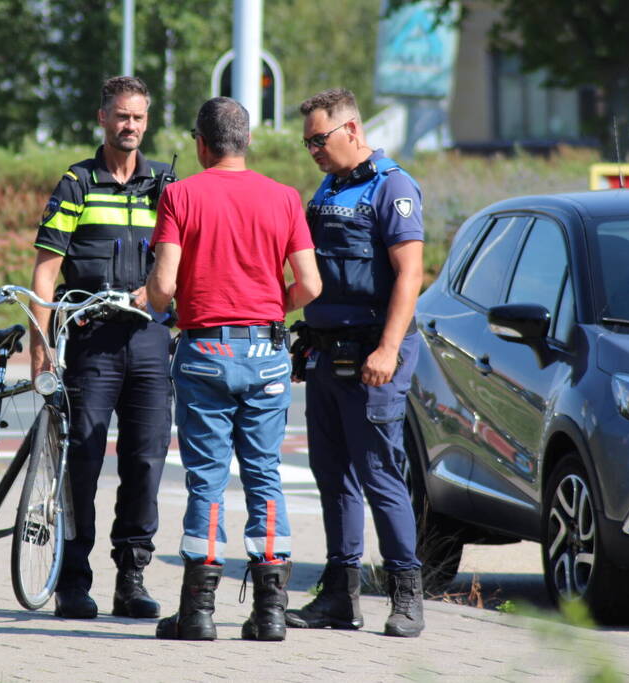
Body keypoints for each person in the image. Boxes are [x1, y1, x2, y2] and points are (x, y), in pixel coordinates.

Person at [147, 97, 321, 642]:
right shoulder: (285, 197)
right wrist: (270, 307)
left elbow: (161, 290)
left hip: (205, 353)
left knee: (207, 482)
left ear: (201, 142)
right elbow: (311, 286)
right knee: (265, 474)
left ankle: (197, 614)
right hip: (267, 352)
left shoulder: (180, 195)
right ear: (245, 141)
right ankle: (270, 613)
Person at [29, 75, 175, 620]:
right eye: (121, 116)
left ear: (147, 121)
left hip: (149, 344)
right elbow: (45, 272)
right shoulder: (78, 182)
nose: (129, 126)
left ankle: (131, 579)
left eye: (138, 117)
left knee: (145, 462)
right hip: (90, 345)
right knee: (82, 463)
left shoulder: (166, 183)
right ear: (102, 118)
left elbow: (186, 260)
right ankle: (73, 580)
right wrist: (41, 343)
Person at [286, 87, 426, 638]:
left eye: (319, 139)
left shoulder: (393, 187)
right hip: (326, 354)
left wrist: (388, 349)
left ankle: (406, 595)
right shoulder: (329, 187)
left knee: (380, 476)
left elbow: (410, 274)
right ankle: (340, 598)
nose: (313, 150)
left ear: (351, 130)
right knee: (332, 477)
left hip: (373, 354)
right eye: (307, 143)